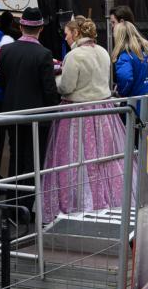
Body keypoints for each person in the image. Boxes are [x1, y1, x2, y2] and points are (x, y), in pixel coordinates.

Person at [42, 16, 128, 222]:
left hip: (78, 113)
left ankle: (78, 203)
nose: (65, 37)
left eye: (67, 33)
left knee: (73, 159)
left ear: (76, 33)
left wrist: (56, 78)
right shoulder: (103, 52)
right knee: (103, 159)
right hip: (103, 111)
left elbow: (67, 87)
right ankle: (107, 200)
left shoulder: (74, 55)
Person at [0, 7, 60, 211]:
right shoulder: (44, 54)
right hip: (37, 116)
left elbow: (2, 81)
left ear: (21, 26)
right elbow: (49, 91)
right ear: (40, 28)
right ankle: (26, 206)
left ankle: (12, 203)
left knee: (15, 156)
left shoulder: (6, 51)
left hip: (12, 113)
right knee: (33, 161)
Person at [112, 21, 148, 102]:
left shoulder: (126, 57)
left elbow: (126, 79)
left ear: (119, 37)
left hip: (139, 106)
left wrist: (121, 93)